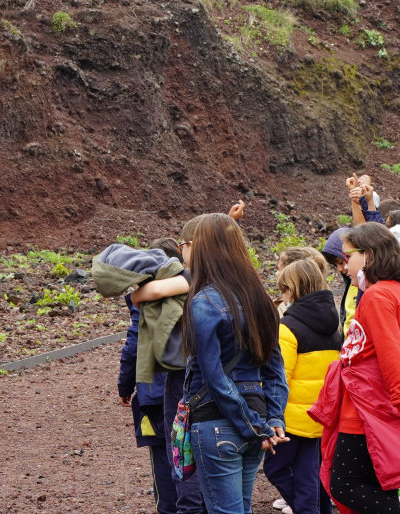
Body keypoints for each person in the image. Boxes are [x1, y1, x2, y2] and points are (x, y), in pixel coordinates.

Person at [308, 223, 400, 514]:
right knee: (376, 486)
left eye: (347, 257)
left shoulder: (378, 296)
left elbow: (393, 354)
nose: (344, 267)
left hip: (365, 408)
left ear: (368, 255)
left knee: (343, 486)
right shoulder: (392, 291)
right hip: (371, 403)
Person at [178, 214, 288, 514]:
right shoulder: (261, 299)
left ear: (204, 249)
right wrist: (272, 420)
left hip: (220, 424)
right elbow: (274, 368)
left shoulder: (203, 301)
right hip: (257, 420)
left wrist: (251, 424)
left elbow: (214, 378)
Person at [108, 236, 196, 514]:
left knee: (164, 456)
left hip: (157, 394)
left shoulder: (148, 299)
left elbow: (134, 345)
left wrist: (125, 386)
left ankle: (171, 509)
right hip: (190, 387)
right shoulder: (193, 288)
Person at [265, 260, 342, 514]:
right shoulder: (334, 324)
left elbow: (280, 377)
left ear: (294, 290)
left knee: (276, 469)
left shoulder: (287, 328)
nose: (283, 296)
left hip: (291, 417)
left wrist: (269, 414)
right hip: (321, 414)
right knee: (310, 474)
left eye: (284, 289)